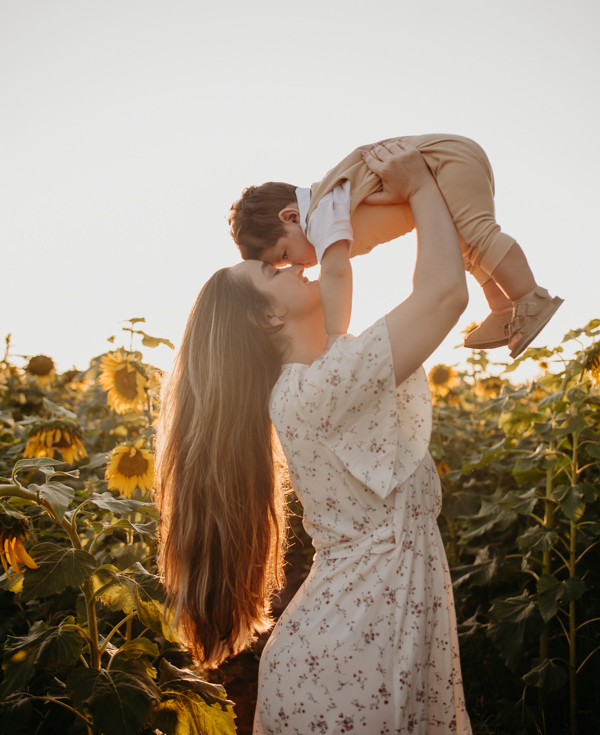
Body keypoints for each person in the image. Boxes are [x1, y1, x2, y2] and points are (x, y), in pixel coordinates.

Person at [156, 141, 473, 733]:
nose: (293, 265)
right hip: (352, 654)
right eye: (273, 270)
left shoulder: (323, 376)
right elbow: (445, 295)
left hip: (360, 638)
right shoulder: (319, 388)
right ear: (267, 318)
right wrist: (423, 186)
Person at [228, 133, 563, 359]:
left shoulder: (318, 213)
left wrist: (335, 336)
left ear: (290, 217)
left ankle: (530, 296)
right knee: (465, 248)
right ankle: (502, 309)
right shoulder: (330, 204)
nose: (298, 267)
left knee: (478, 236)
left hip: (443, 163)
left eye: (286, 256)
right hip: (447, 162)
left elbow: (337, 274)